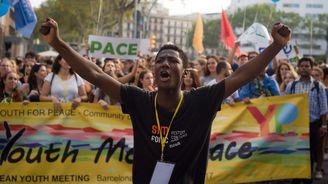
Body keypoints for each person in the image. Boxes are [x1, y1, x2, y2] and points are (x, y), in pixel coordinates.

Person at [41, 18, 291, 183]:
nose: (165, 63)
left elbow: (242, 74)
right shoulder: (139, 100)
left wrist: (276, 46)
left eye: (172, 60)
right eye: (160, 60)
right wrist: (58, 43)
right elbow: (96, 74)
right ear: (154, 68)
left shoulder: (201, 100)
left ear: (183, 73)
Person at [285, 57, 328, 183]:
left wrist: (324, 126)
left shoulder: (318, 86)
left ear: (311, 68)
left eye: (307, 66)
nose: (304, 68)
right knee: (296, 153)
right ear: (298, 68)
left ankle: (308, 178)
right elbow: (286, 105)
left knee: (309, 154)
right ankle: (297, 178)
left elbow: (324, 108)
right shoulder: (291, 86)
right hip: (296, 126)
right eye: (302, 66)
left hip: (312, 125)